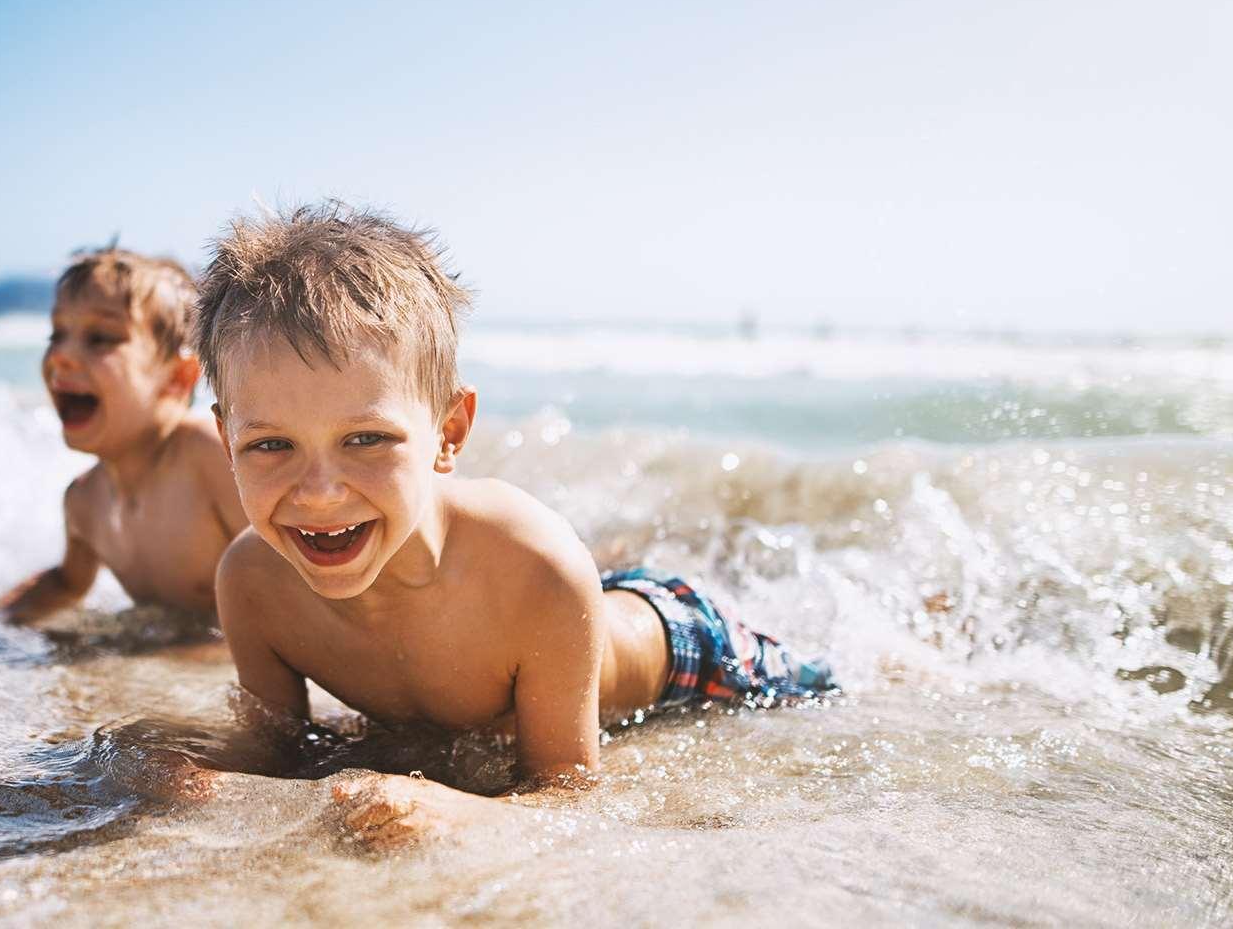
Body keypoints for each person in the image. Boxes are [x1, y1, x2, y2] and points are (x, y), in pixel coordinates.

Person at [192, 204, 834, 846]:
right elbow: (276, 750)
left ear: (449, 433)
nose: (322, 494)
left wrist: (454, 809)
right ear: (226, 441)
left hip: (688, 649)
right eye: (272, 446)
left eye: (366, 438)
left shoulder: (535, 568)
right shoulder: (253, 584)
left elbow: (569, 792)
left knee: (827, 688)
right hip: (550, 628)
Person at [0, 247, 248, 623]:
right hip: (170, 658)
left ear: (177, 378)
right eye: (57, 334)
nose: (61, 356)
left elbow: (286, 577)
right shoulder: (84, 502)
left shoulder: (205, 458)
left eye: (100, 338)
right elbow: (67, 584)